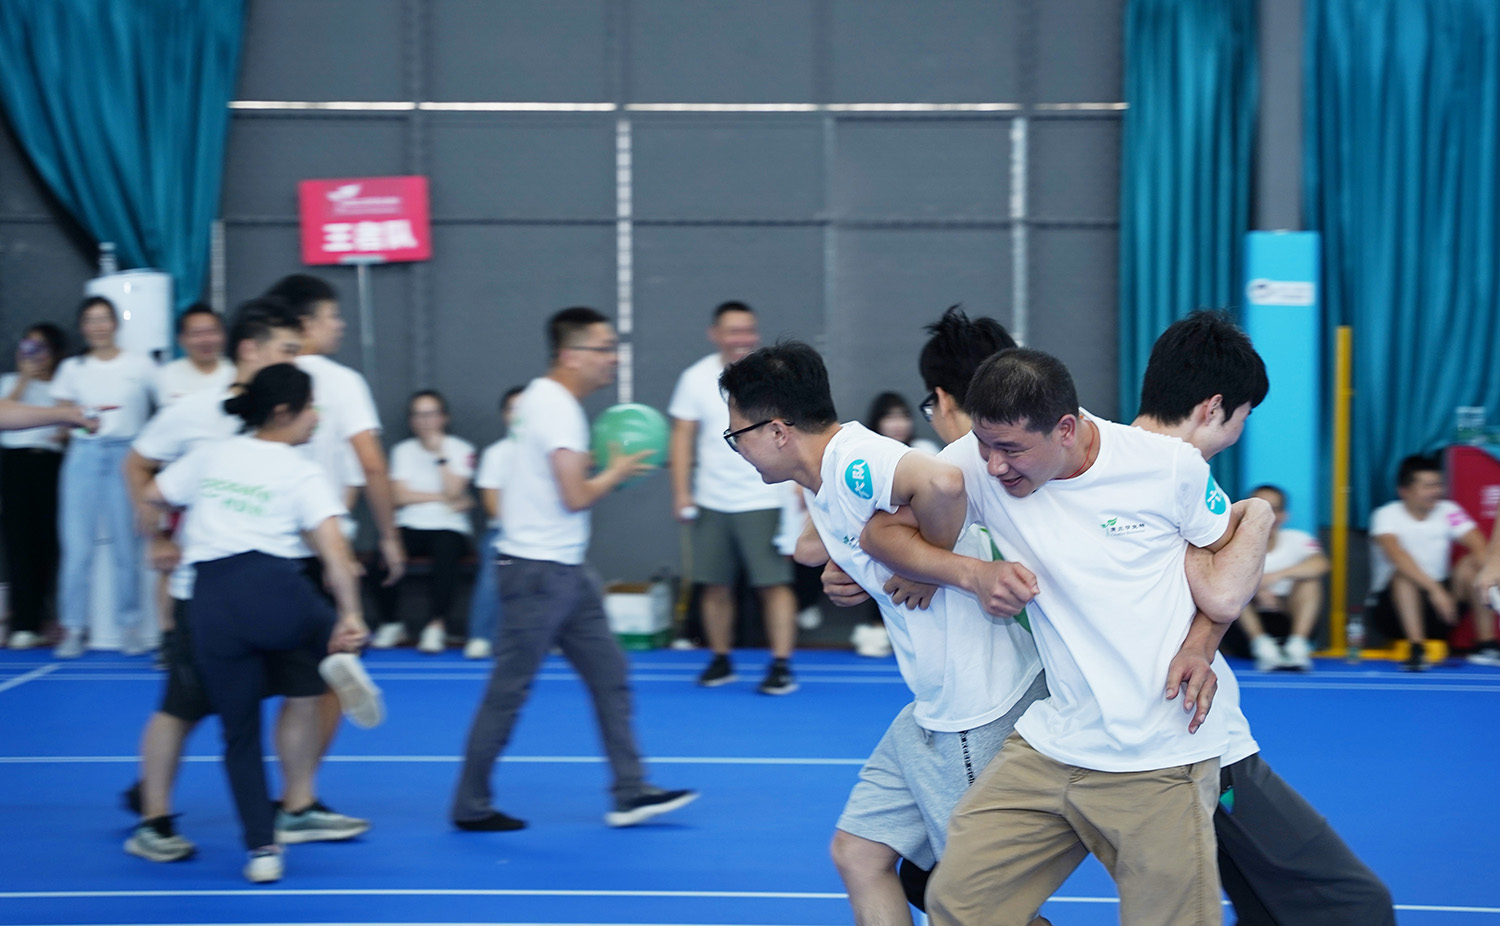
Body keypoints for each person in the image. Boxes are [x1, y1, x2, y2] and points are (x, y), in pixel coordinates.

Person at [861, 347, 1272, 926]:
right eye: (984, 444)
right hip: (1054, 743)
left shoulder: (1167, 467)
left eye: (1011, 450)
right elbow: (881, 534)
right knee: (960, 904)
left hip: (1159, 753)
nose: (994, 465)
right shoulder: (977, 463)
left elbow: (1228, 559)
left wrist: (1201, 643)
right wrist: (972, 574)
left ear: (1065, 429)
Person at [717, 339, 1049, 926]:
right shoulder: (823, 477)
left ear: (777, 431)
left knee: (976, 909)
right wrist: (848, 560)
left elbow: (943, 484)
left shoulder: (855, 460)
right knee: (859, 852)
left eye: (735, 434)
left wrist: (924, 564)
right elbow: (811, 545)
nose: (736, 447)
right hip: (932, 705)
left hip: (976, 706)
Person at [1133, 309, 1396, 925]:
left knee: (1265, 903)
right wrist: (1257, 515)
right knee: (1359, 904)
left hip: (1177, 746)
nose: (1239, 431)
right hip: (1203, 751)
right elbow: (1225, 596)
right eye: (1244, 416)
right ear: (1213, 407)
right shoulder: (1181, 475)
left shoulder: (1094, 465)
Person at [120, 299, 370, 862]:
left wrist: (165, 521)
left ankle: (279, 826)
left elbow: (158, 493)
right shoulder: (200, 418)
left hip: (233, 592)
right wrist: (158, 540)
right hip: (226, 594)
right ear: (252, 352)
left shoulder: (234, 448)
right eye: (287, 349)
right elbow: (139, 472)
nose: (295, 358)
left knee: (278, 710)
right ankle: (155, 819)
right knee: (183, 708)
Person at [450, 306, 696, 832]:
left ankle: (630, 790)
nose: (612, 359)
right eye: (603, 349)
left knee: (611, 675)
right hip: (538, 573)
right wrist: (617, 471)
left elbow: (554, 477)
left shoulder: (540, 400)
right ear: (570, 355)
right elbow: (575, 496)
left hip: (564, 570)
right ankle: (470, 804)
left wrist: (598, 468)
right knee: (508, 691)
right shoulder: (558, 409)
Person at [668, 300, 799, 694]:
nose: (742, 338)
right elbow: (681, 437)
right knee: (714, 585)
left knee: (773, 584)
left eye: (748, 330)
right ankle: (721, 659)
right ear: (715, 334)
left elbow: (797, 430)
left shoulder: (775, 376)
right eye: (733, 331)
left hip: (765, 497)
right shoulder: (694, 378)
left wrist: (800, 482)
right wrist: (681, 492)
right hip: (712, 500)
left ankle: (781, 665)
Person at [265, 274, 406, 587]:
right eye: (333, 316)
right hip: (322, 541)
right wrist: (389, 536)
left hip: (263, 539)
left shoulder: (261, 379)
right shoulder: (343, 382)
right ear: (306, 324)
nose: (340, 325)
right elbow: (372, 465)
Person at [51, 296, 157, 658]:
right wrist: (73, 424)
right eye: (90, 320)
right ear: (83, 327)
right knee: (76, 547)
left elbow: (165, 407)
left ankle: (130, 626)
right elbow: (60, 416)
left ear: (115, 323)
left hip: (125, 455)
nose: (98, 326)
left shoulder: (140, 364)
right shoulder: (72, 368)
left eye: (103, 319)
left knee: (127, 546)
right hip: (83, 454)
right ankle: (73, 628)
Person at [1367, 453, 1493, 671]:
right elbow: (1396, 555)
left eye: (1438, 485)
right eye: (1427, 486)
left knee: (1472, 563)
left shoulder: (1449, 511)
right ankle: (1417, 649)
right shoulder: (1385, 515)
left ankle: (1488, 645)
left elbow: (1478, 544)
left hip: (1442, 610)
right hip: (1392, 612)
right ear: (1404, 491)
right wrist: (1435, 590)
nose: (1436, 491)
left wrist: (1491, 579)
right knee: (1403, 575)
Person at [373, 390, 475, 653]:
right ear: (411, 421)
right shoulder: (402, 451)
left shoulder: (462, 449)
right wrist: (444, 498)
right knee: (381, 556)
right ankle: (392, 623)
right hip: (409, 524)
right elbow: (398, 496)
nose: (425, 421)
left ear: (444, 418)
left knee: (446, 553)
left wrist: (440, 455)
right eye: (418, 415)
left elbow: (454, 490)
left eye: (430, 414)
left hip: (449, 527)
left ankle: (435, 625)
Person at [848, 391, 941, 658]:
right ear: (878, 421)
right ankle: (879, 628)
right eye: (890, 417)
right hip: (876, 542)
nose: (898, 424)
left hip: (924, 538)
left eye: (903, 417)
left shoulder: (924, 451)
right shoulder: (863, 459)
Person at [1, 323, 69, 649]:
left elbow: (75, 426)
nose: (33, 354)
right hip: (15, 464)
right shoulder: (8, 383)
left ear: (53, 354)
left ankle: (41, 619)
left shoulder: (61, 387)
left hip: (51, 465)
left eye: (40, 348)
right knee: (18, 543)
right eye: (27, 346)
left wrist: (67, 433)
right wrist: (24, 380)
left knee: (47, 542)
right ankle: (22, 625)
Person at [1231, 484, 1330, 670]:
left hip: (1287, 621)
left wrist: (1275, 577)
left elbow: (1321, 564)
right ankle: (1263, 648)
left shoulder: (1298, 539)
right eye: (1260, 508)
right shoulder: (1233, 541)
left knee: (1310, 583)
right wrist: (1256, 589)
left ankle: (1297, 647)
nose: (1266, 515)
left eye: (1273, 509)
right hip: (1244, 632)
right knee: (1233, 587)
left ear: (1284, 515)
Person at [464, 386, 525, 659]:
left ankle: (557, 635)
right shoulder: (496, 454)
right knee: (495, 560)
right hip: (505, 533)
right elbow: (491, 505)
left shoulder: (551, 453)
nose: (519, 414)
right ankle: (481, 636)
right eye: (513, 408)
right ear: (504, 415)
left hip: (546, 537)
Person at [153, 304, 234, 406]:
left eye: (211, 332)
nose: (205, 340)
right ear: (181, 339)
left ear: (223, 335)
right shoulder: (164, 377)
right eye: (196, 333)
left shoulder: (235, 373)